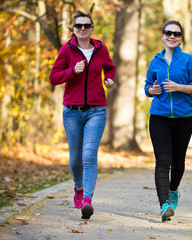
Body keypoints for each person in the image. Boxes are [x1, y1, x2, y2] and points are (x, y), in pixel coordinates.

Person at [49, 10, 115, 220]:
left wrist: (109, 79)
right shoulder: (66, 50)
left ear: (92, 28)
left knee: (89, 155)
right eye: (79, 26)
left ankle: (87, 200)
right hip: (72, 112)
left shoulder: (101, 49)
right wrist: (71, 72)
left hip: (97, 109)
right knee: (76, 158)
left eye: (87, 26)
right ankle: (78, 187)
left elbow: (110, 68)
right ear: (74, 30)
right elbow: (53, 78)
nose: (83, 29)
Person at [144, 20, 192, 222]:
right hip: (158, 118)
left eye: (176, 34)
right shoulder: (155, 62)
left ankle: (173, 191)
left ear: (181, 38)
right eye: (168, 32)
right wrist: (151, 91)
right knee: (162, 161)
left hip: (183, 119)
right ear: (162, 36)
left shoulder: (188, 60)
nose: (172, 36)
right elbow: (147, 86)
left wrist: (179, 87)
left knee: (178, 162)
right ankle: (164, 205)